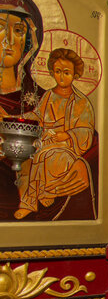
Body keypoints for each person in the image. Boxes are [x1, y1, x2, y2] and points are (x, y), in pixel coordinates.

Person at [15, 48, 96, 220]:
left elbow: (85, 130)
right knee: (26, 154)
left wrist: (66, 135)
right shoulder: (48, 96)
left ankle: (32, 200)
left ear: (75, 74)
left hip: (66, 147)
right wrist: (17, 118)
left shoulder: (81, 102)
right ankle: (42, 194)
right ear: (52, 73)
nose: (61, 76)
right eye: (58, 72)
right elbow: (37, 116)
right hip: (45, 140)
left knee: (49, 156)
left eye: (66, 72)